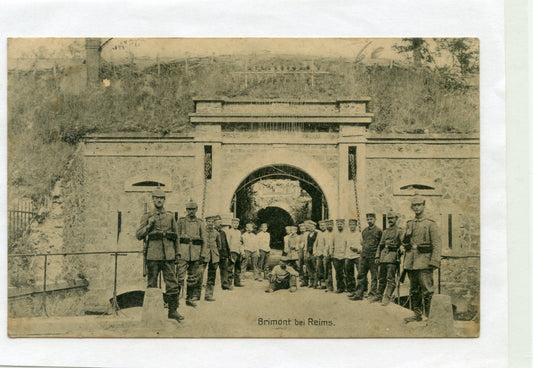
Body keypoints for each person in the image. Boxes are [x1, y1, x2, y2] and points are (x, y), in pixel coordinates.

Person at [135, 188, 183, 322]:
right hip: (153, 255)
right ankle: (151, 312)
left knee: (172, 284)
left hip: (169, 255)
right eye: (156, 198)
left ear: (164, 200)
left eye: (161, 198)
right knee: (152, 283)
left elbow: (176, 237)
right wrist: (149, 227)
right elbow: (138, 235)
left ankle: (173, 311)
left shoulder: (170, 216)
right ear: (153, 199)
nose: (159, 200)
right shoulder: (147, 216)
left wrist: (177, 253)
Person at [402, 196, 441, 323]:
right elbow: (404, 241)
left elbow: (436, 244)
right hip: (411, 263)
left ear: (423, 205)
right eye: (414, 205)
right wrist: (405, 241)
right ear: (411, 207)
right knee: (414, 290)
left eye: (419, 205)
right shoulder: (409, 223)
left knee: (428, 291)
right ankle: (417, 314)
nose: (417, 207)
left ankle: (430, 318)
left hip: (424, 263)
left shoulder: (430, 224)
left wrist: (434, 261)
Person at [177, 199, 207, 308]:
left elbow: (204, 239)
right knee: (179, 277)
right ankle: (175, 300)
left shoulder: (200, 223)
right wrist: (177, 253)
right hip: (183, 253)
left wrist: (203, 254)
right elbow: (176, 238)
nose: (191, 211)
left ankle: (189, 298)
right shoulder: (181, 222)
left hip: (195, 254)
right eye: (189, 209)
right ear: (186, 210)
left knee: (193, 277)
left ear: (196, 209)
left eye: (193, 209)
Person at [373, 211, 403, 306]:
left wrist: (401, 249)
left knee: (390, 278)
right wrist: (377, 256)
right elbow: (380, 245)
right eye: (389, 218)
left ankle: (387, 297)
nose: (390, 220)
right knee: (381, 278)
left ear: (396, 219)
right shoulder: (385, 231)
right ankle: (379, 295)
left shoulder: (399, 231)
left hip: (392, 257)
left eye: (392, 218)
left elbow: (403, 243)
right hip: (383, 257)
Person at [349, 213, 382, 301]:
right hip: (364, 256)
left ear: (375, 219)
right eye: (368, 219)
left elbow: (380, 245)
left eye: (371, 219)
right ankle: (359, 294)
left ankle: (372, 294)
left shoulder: (379, 231)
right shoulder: (364, 231)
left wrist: (377, 256)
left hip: (373, 257)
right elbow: (363, 243)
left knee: (374, 276)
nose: (369, 221)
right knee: (360, 275)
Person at [202, 215, 222, 301]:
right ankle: (196, 295)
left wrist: (216, 253)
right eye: (209, 221)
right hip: (203, 255)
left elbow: (219, 245)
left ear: (214, 223)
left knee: (211, 276)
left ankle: (209, 295)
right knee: (199, 274)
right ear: (206, 222)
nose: (210, 223)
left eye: (212, 222)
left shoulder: (216, 233)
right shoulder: (202, 231)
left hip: (214, 257)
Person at [345, 218, 362, 296]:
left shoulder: (359, 234)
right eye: (350, 225)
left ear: (356, 225)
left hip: (357, 256)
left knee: (360, 273)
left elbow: (363, 245)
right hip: (349, 256)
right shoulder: (347, 234)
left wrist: (358, 250)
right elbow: (345, 245)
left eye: (353, 225)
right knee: (349, 273)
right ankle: (351, 289)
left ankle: (361, 290)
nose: (352, 226)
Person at [226, 218, 244, 287]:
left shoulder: (239, 232)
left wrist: (241, 251)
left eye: (237, 223)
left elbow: (241, 242)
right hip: (232, 251)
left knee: (238, 267)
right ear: (231, 224)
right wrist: (229, 252)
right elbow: (228, 242)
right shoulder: (229, 231)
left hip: (238, 251)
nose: (236, 225)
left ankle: (237, 282)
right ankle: (229, 284)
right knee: (230, 268)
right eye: (234, 223)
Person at [331, 219, 347, 293]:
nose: (339, 225)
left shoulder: (347, 233)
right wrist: (332, 253)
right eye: (338, 224)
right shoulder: (334, 234)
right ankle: (340, 288)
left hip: (345, 255)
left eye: (341, 224)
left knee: (346, 272)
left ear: (343, 224)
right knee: (338, 273)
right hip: (336, 256)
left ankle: (347, 287)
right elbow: (332, 244)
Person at [217, 216, 233, 290]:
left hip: (223, 254)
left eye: (220, 223)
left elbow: (226, 244)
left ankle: (225, 284)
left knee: (224, 270)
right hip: (215, 254)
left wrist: (228, 254)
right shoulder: (212, 232)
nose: (220, 224)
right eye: (218, 223)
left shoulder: (223, 232)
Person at [313, 220, 328, 289]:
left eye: (323, 225)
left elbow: (327, 244)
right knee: (319, 267)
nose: (322, 227)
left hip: (325, 253)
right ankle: (320, 281)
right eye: (321, 226)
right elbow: (315, 243)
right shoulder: (319, 233)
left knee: (326, 268)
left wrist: (325, 252)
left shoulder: (328, 233)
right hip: (319, 253)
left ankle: (326, 282)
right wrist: (315, 251)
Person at [304, 220, 318, 288]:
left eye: (312, 226)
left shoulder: (317, 233)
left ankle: (316, 282)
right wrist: (306, 252)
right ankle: (311, 282)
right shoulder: (308, 234)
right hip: (309, 252)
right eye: (309, 227)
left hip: (314, 252)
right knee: (309, 267)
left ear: (314, 227)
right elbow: (307, 244)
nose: (311, 228)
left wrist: (316, 252)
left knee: (315, 267)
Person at [323, 219, 335, 292]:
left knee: (335, 270)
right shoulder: (324, 234)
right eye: (327, 225)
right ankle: (329, 286)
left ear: (333, 225)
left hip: (334, 254)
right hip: (326, 254)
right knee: (327, 270)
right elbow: (324, 245)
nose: (329, 226)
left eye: (330, 224)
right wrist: (325, 253)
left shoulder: (335, 233)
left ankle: (337, 286)